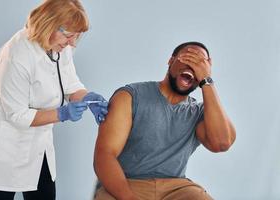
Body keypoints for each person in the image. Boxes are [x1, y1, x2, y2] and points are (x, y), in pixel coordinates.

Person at [0, 0, 108, 199]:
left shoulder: (59, 46)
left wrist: (87, 98)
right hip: (4, 145)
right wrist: (62, 113)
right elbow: (17, 116)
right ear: (49, 24)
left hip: (38, 145)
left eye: (77, 37)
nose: (72, 43)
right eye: (69, 36)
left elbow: (69, 82)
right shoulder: (16, 55)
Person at [93, 42, 236, 200]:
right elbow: (105, 154)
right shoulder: (130, 96)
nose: (192, 66)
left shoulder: (199, 113)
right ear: (171, 60)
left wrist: (206, 81)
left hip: (176, 189)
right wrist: (128, 198)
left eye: (199, 64)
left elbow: (222, 143)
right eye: (188, 58)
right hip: (127, 184)